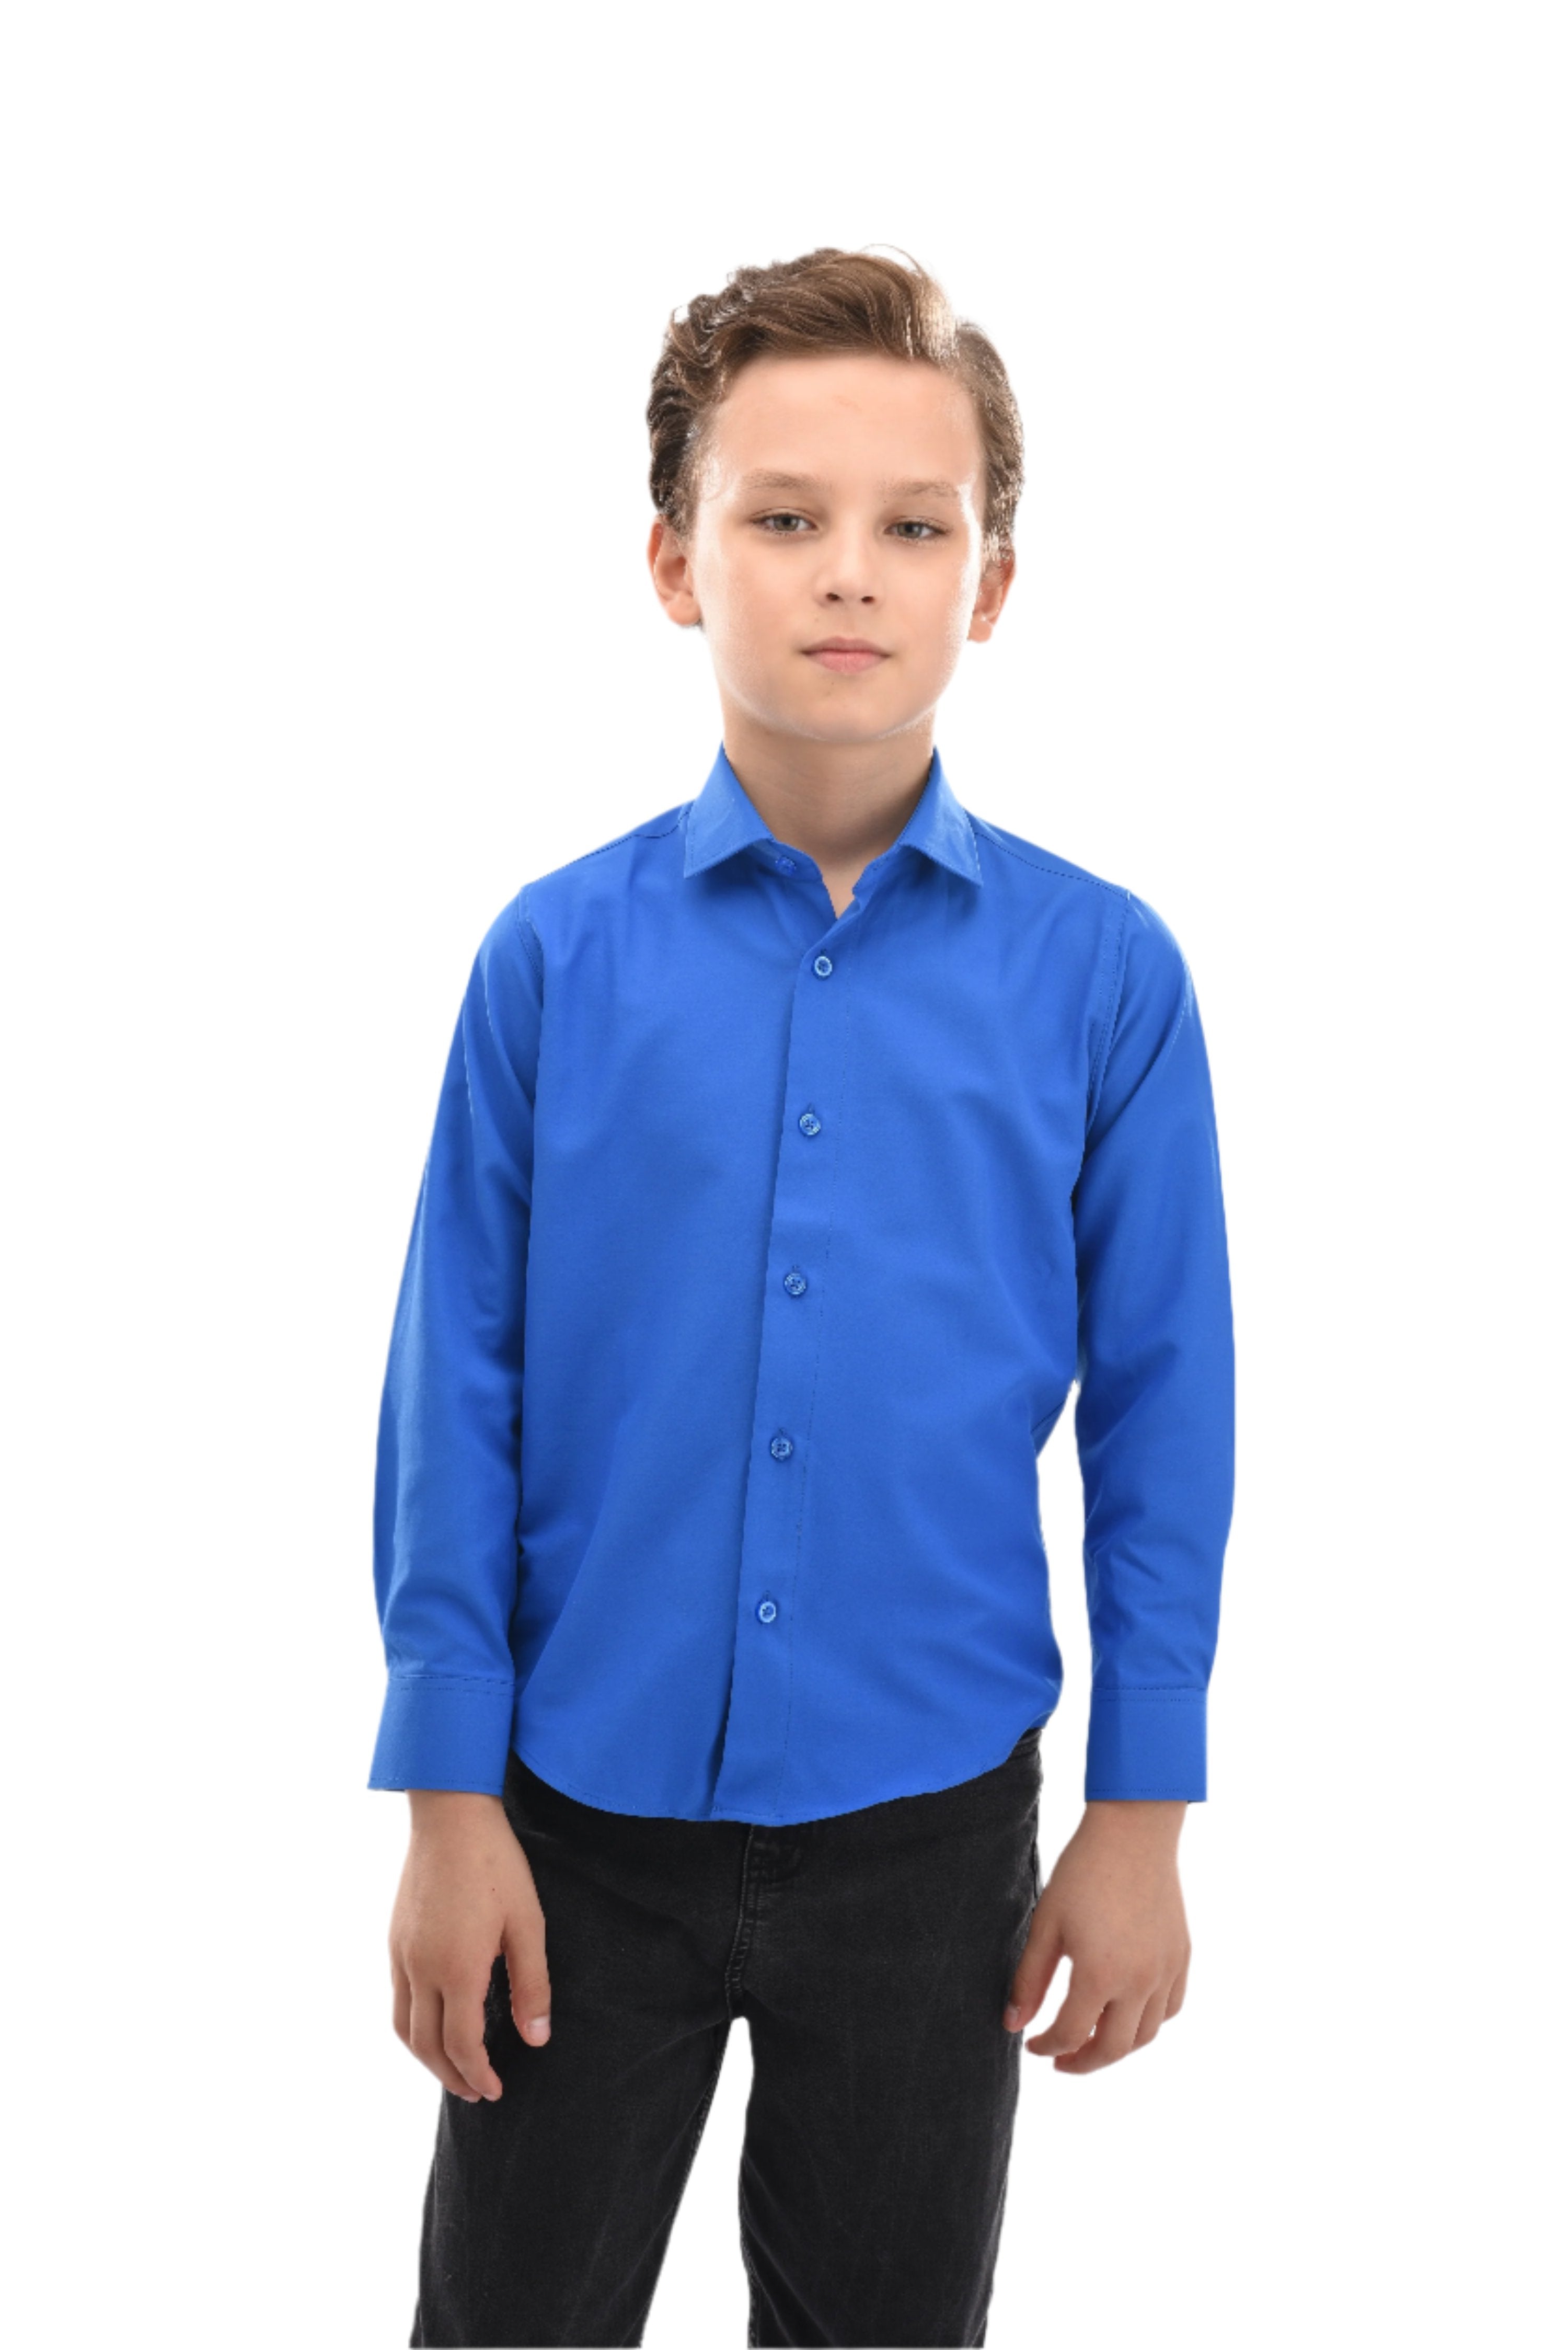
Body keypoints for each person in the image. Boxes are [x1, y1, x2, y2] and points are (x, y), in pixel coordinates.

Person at [367, 246, 1235, 2349]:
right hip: (575, 1819)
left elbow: (1166, 1407)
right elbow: (453, 1379)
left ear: (991, 585)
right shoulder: (552, 961)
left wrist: (1142, 1811)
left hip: (931, 1831)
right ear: (678, 563)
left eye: (914, 527)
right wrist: (447, 1796)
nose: (850, 570)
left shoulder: (1105, 978)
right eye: (784, 515)